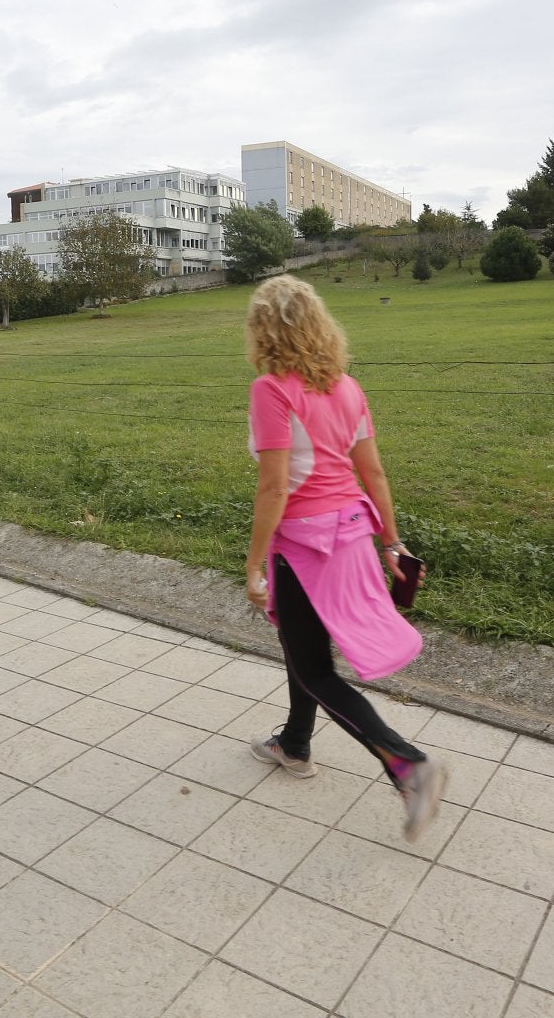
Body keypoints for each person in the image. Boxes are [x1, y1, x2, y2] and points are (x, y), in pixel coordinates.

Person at [241, 274, 447, 840]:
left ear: (263, 330)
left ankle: (408, 765)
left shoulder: (271, 390)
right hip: (355, 534)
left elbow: (274, 489)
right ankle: (295, 745)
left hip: (304, 546)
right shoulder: (348, 387)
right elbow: (373, 471)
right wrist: (392, 542)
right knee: (303, 649)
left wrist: (254, 565)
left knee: (313, 668)